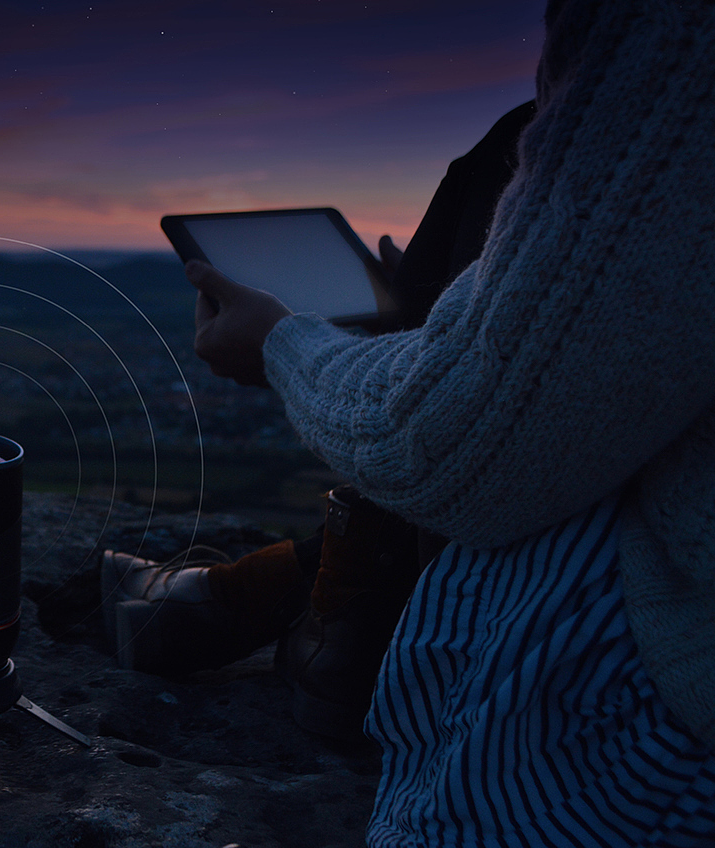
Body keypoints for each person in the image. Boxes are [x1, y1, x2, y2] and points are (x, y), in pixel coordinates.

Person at [120, 0, 715, 842]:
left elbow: (457, 447)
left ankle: (334, 602)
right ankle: (330, 600)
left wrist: (287, 346)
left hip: (673, 710)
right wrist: (444, 319)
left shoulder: (676, 33)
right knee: (512, 146)